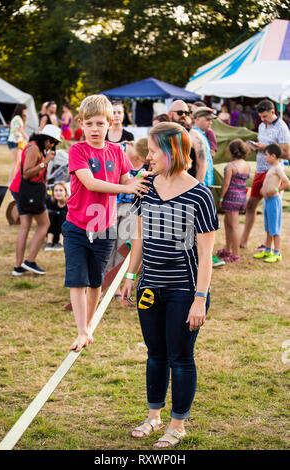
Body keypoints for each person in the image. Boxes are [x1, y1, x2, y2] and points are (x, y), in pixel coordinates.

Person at [121, 122, 219, 449]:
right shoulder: (145, 185)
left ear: (172, 151)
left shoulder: (200, 194)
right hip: (149, 286)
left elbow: (206, 256)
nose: (147, 158)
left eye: (152, 152)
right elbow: (138, 236)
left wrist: (199, 299)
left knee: (180, 357)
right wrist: (130, 276)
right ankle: (153, 416)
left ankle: (178, 425)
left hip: (184, 289)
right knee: (155, 355)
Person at [62, 94, 150, 352]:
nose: (94, 129)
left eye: (100, 124)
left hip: (105, 228)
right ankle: (81, 331)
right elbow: (90, 183)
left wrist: (138, 178)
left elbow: (126, 180)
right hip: (77, 226)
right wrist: (129, 186)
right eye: (89, 124)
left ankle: (88, 328)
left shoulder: (117, 151)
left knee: (95, 282)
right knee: (77, 280)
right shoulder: (77, 150)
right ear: (81, 124)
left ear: (110, 123)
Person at [9, 124, 62, 276]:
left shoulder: (38, 148)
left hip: (22, 191)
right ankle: (29, 261)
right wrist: (44, 162)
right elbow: (26, 173)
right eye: (52, 142)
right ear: (46, 139)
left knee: (25, 226)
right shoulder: (33, 148)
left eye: (55, 144)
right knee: (44, 224)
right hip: (25, 191)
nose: (53, 146)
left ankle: (18, 267)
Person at [240, 99, 290, 248]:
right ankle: (244, 240)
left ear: (273, 112)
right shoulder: (262, 126)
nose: (262, 120)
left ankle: (271, 245)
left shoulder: (282, 128)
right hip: (260, 170)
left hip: (273, 174)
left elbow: (287, 153)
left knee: (271, 210)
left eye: (265, 116)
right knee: (251, 205)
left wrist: (265, 148)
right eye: (261, 117)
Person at [106, 138, 149, 299]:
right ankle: (107, 283)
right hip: (111, 204)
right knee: (109, 243)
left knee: (123, 245)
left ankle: (116, 287)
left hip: (133, 207)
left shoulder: (148, 164)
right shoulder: (119, 151)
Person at [192, 107, 224, 268]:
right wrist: (198, 186)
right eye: (207, 119)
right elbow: (201, 163)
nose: (210, 122)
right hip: (201, 185)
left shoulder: (203, 135)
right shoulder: (195, 134)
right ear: (197, 118)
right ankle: (205, 256)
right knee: (202, 224)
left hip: (206, 184)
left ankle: (207, 254)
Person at [253, 144, 290, 263]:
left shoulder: (278, 168)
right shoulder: (272, 167)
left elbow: (286, 183)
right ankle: (268, 249)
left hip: (274, 201)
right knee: (268, 227)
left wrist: (275, 190)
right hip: (267, 201)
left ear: (273, 156)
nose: (265, 158)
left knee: (275, 228)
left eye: (267, 155)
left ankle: (277, 252)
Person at [217, 139, 250, 262]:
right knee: (227, 222)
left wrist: (221, 197)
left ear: (231, 151)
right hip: (241, 197)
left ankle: (235, 255)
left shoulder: (230, 166)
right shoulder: (246, 165)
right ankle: (228, 249)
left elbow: (226, 184)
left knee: (234, 226)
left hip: (231, 198)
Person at [7, 104, 29, 184]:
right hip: (15, 141)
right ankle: (10, 181)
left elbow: (22, 128)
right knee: (15, 162)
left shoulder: (17, 118)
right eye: (25, 110)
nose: (26, 112)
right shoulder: (18, 118)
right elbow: (21, 130)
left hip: (16, 141)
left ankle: (14, 180)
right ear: (21, 110)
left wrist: (25, 120)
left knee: (18, 162)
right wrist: (27, 138)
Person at [44, 182, 68, 251]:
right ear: (53, 192)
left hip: (65, 234)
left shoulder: (69, 204)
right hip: (53, 232)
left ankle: (61, 243)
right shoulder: (50, 202)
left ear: (65, 192)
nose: (58, 193)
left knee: (62, 214)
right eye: (56, 190)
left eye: (61, 190)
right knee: (51, 214)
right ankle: (49, 242)